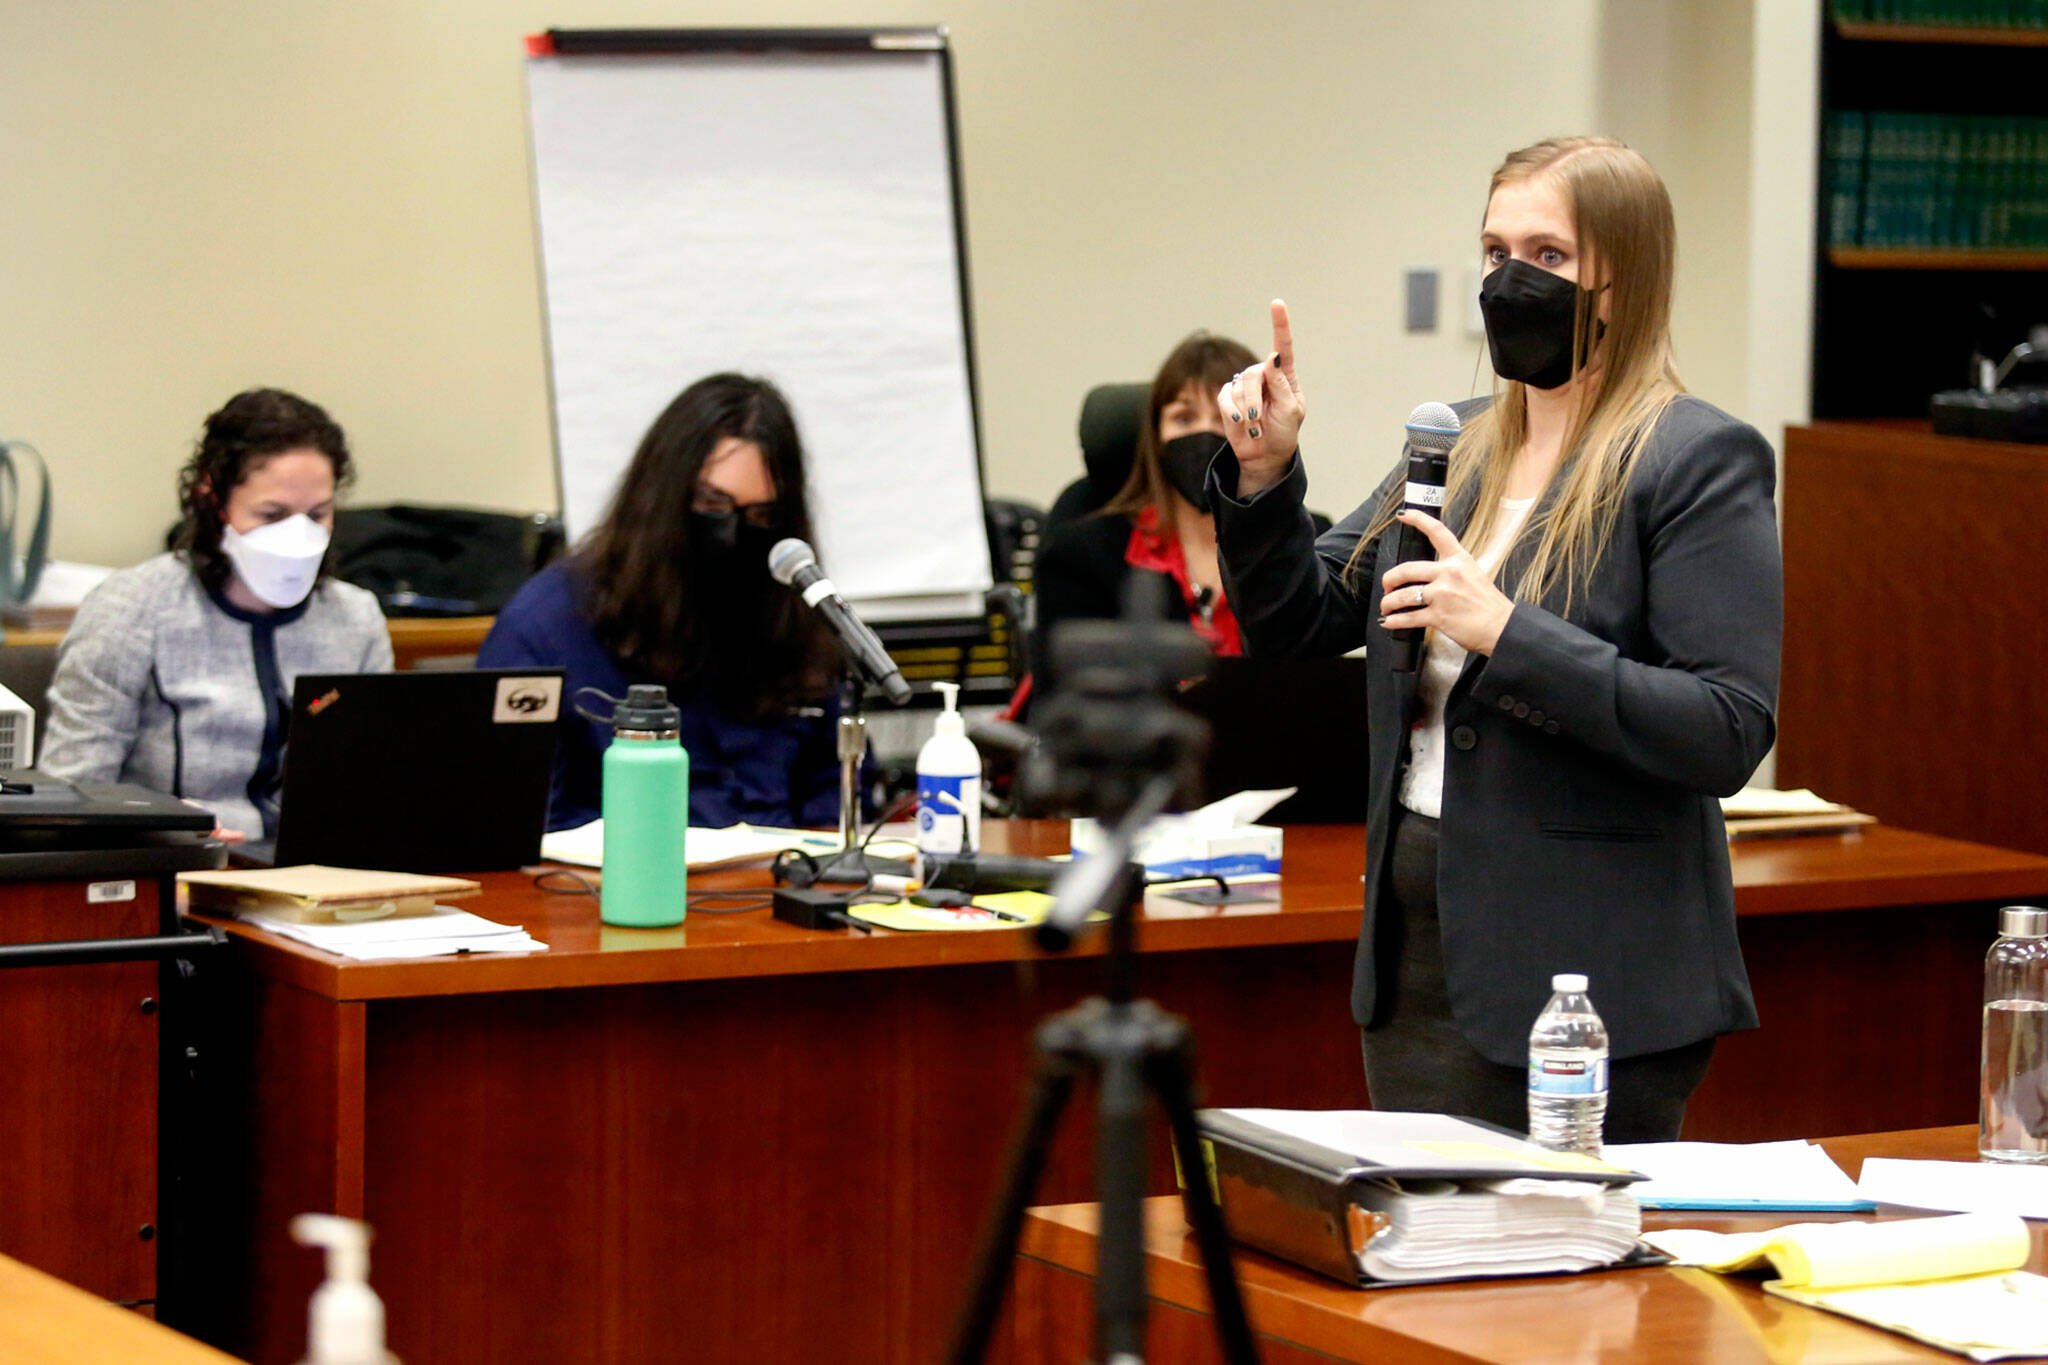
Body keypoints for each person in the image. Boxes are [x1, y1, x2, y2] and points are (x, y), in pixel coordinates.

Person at [1207, 137, 1782, 1142]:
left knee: (1555, 1284)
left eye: (1547, 256)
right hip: (1420, 960)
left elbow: (1722, 729)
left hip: (1587, 975)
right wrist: (1263, 479)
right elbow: (1297, 624)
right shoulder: (1451, 444)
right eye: (1492, 249)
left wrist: (1503, 633)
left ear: (1622, 274)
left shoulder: (1692, 458)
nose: (1508, 279)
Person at [478, 372, 841, 832]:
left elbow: (833, 798)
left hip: (780, 882)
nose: (735, 535)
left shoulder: (790, 610)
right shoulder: (547, 625)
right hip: (615, 887)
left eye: (761, 514)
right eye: (713, 505)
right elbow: (516, 824)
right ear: (662, 499)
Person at [41, 388, 393, 840]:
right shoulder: (132, 608)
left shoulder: (355, 618)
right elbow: (72, 790)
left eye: (317, 514)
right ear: (214, 498)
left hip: (312, 866)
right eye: (272, 514)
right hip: (176, 864)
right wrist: (159, 824)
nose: (298, 536)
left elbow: (376, 779)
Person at [1031, 332, 1258, 674]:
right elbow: (1064, 700)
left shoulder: (1305, 544)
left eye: (1227, 418)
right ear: (1155, 435)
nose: (1205, 434)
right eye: (1184, 418)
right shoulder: (1082, 553)